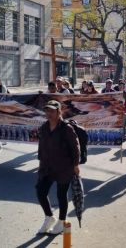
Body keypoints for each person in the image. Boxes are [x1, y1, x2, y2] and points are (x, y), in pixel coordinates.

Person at [36, 100, 80, 235]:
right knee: (40, 191)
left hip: (64, 167)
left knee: (61, 195)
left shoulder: (66, 128)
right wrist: (40, 161)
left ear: (59, 112)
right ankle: (49, 217)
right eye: (47, 110)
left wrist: (76, 165)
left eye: (52, 111)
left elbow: (75, 147)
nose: (49, 113)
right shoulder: (44, 127)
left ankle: (61, 221)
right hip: (47, 166)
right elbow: (41, 146)